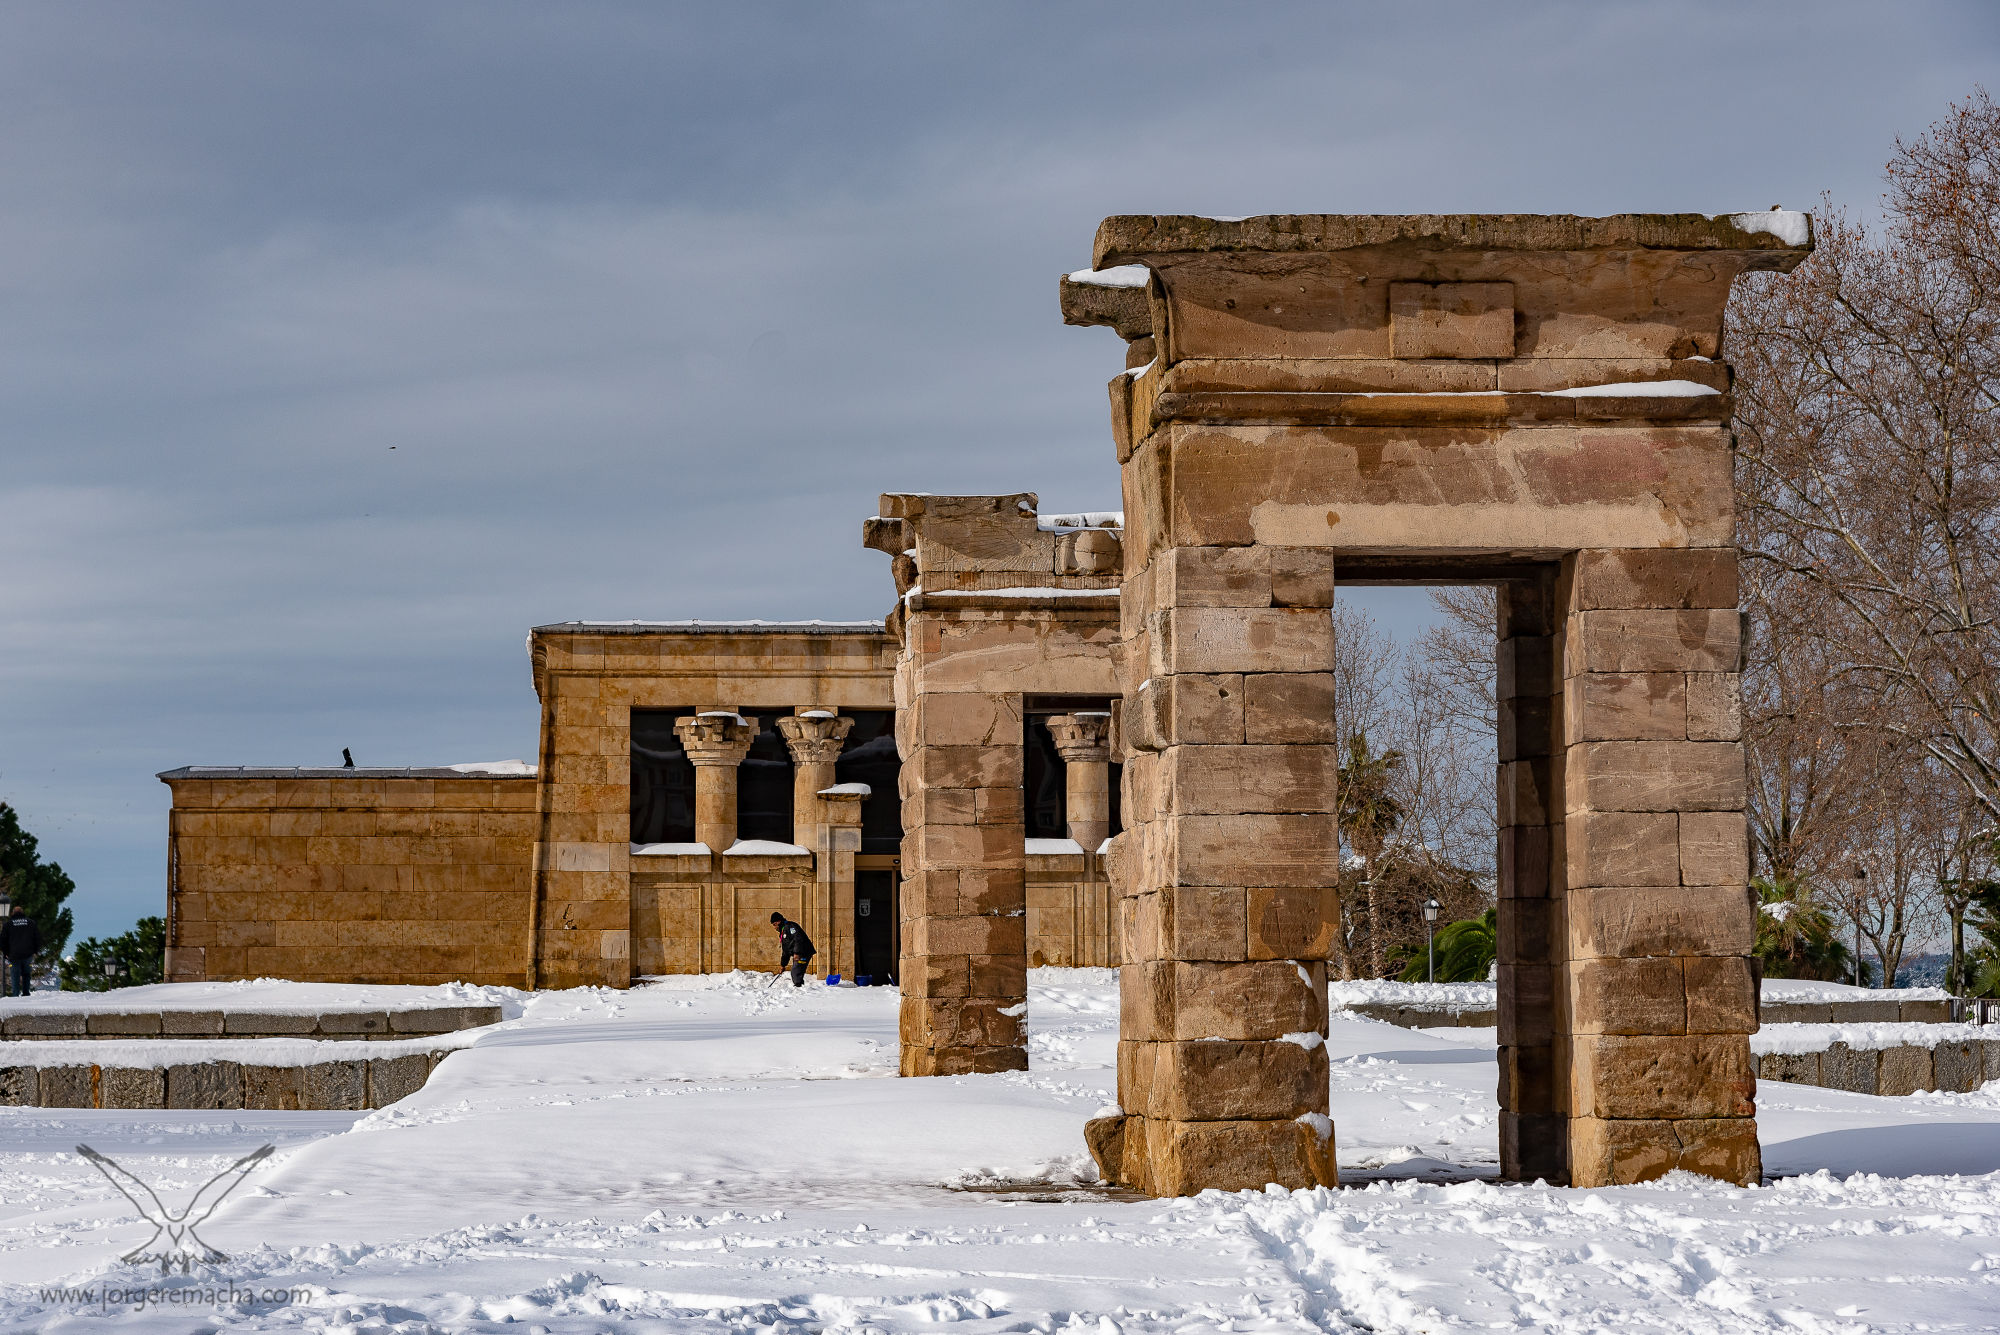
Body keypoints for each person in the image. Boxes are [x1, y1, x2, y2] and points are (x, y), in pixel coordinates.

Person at [1, 905, 40, 997]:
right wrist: (35, 951)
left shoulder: (8, 924)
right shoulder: (31, 923)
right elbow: (37, 938)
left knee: (15, 975)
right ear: (22, 913)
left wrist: (5, 953)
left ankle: (15, 995)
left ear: (13, 913)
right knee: (26, 974)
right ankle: (26, 993)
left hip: (13, 955)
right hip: (28, 954)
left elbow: (2, 940)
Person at [771, 911, 814, 988]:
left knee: (796, 971)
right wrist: (783, 965)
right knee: (797, 971)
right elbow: (785, 950)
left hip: (804, 953)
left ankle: (798, 988)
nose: (774, 928)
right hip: (799, 954)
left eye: (774, 925)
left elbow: (798, 939)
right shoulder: (783, 931)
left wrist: (797, 953)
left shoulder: (791, 927)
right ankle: (800, 987)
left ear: (778, 922)